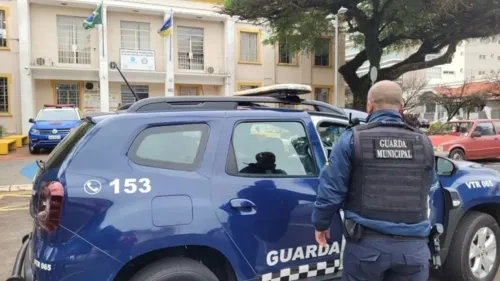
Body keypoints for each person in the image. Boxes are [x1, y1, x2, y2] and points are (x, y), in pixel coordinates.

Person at [312, 80, 439, 281]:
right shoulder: (423, 142)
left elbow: (331, 190)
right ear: (401, 107)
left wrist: (321, 223)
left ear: (369, 105)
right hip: (413, 249)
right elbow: (430, 188)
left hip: (367, 247)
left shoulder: (352, 139)